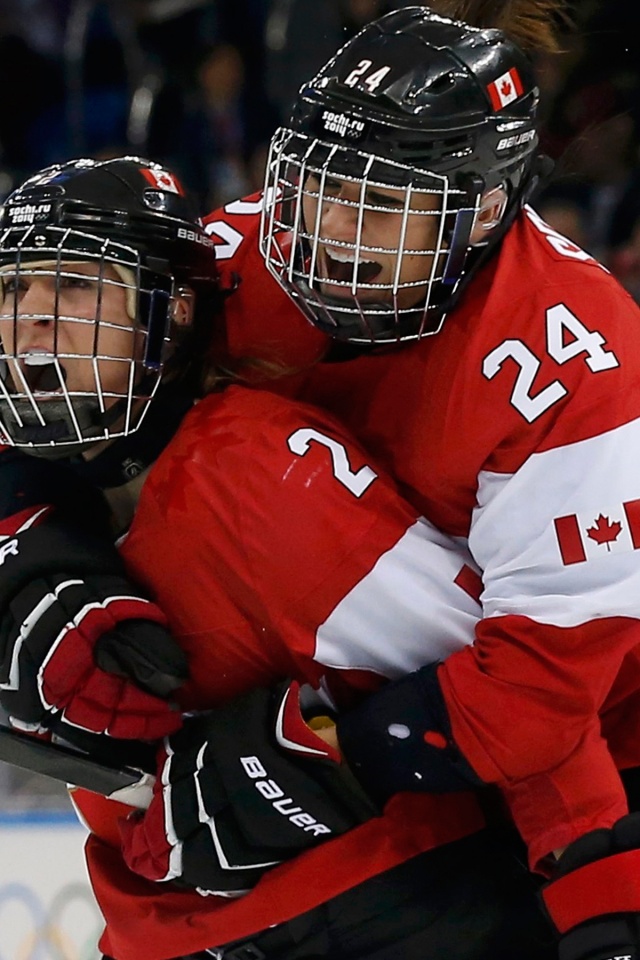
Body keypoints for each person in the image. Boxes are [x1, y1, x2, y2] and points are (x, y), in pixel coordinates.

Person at [0, 157, 556, 960]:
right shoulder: (47, 508)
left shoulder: (259, 477)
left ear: (173, 314)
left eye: (78, 285)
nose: (32, 319)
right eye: (15, 290)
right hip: (176, 931)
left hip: (390, 917)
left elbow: (520, 697)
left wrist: (339, 757)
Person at [199, 2, 640, 958]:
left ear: (484, 207)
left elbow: (541, 691)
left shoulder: (574, 355)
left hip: (599, 751)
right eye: (319, 189)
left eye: (384, 202)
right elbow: (66, 373)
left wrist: (317, 754)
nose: (332, 233)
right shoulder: (242, 258)